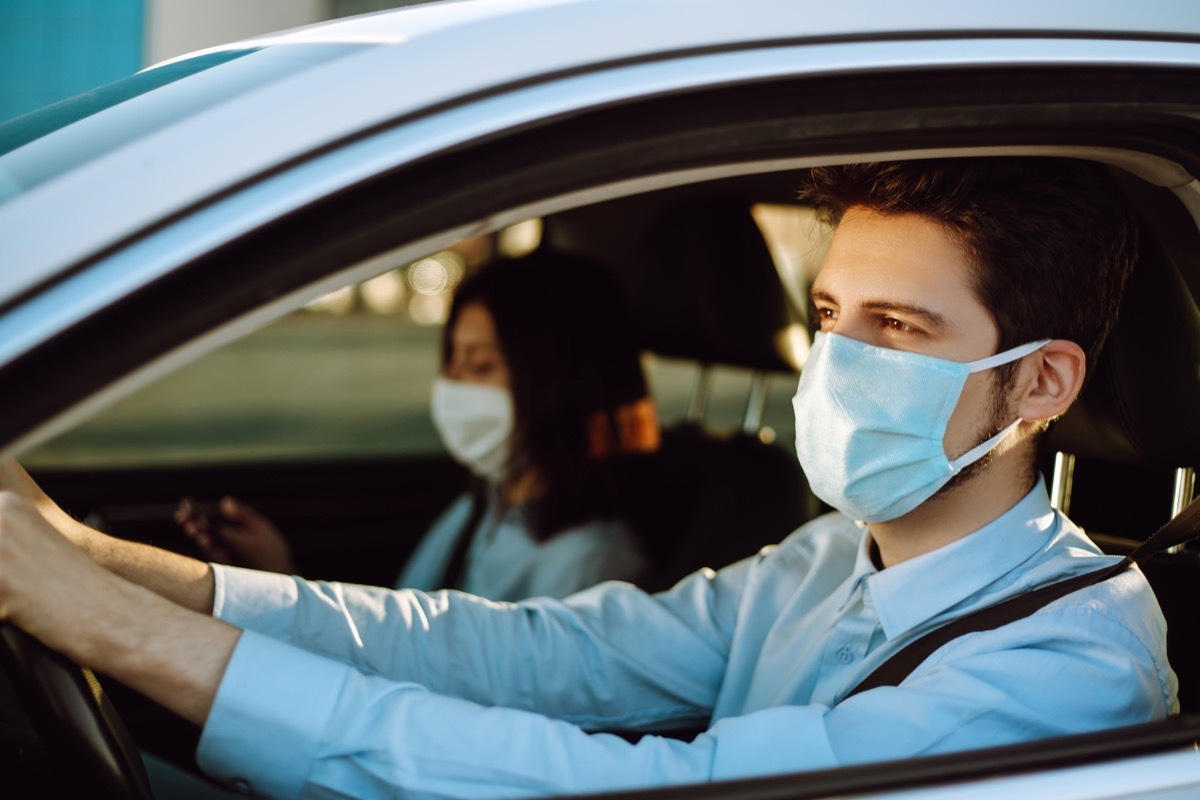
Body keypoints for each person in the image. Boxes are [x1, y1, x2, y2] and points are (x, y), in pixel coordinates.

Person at [0, 158, 1177, 800]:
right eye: (827, 316)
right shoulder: (833, 553)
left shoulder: (1058, 673)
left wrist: (117, 633)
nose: (838, 362)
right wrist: (104, 565)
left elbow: (652, 785)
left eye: (898, 328)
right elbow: (530, 654)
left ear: (1040, 386)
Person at [175, 251, 657, 600]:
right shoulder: (481, 509)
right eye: (451, 359)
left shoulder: (592, 569)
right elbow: (398, 646)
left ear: (555, 385)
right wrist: (281, 579)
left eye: (480, 365)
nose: (452, 384)